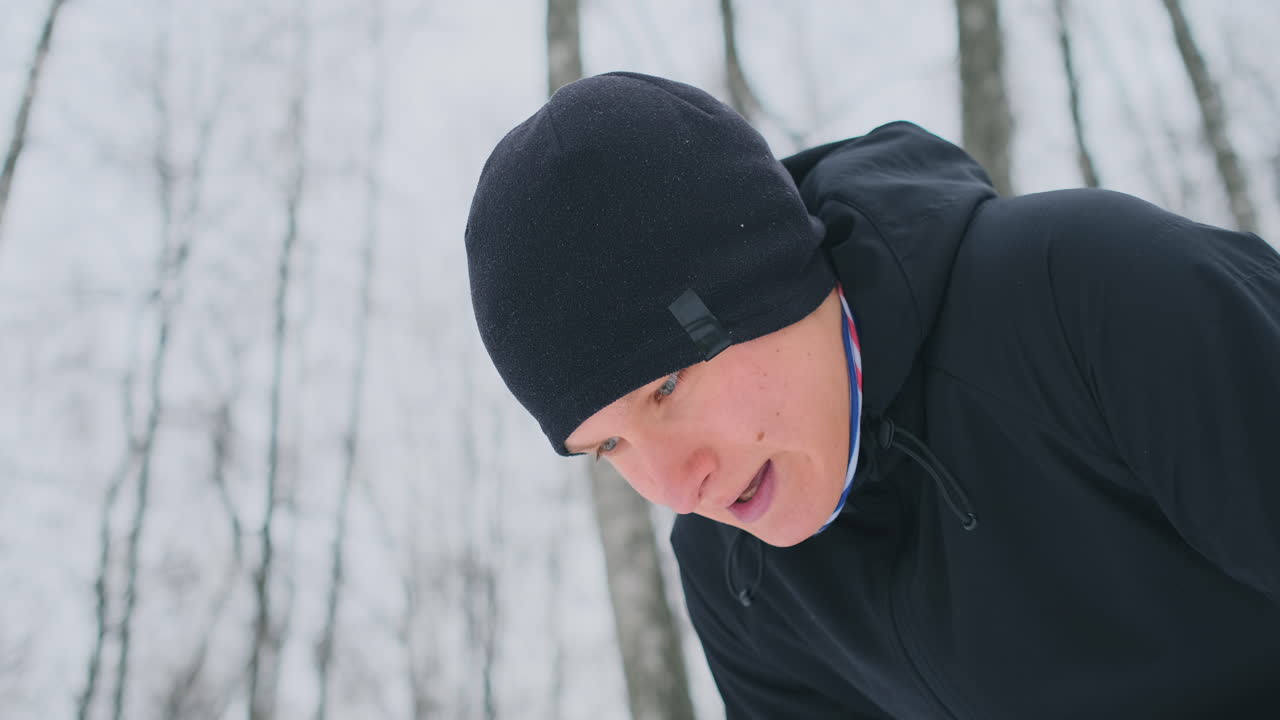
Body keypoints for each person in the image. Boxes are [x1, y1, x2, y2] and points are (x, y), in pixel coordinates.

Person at [464, 72, 1280, 718]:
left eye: (666, 387)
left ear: (763, 282)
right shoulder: (731, 575)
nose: (679, 487)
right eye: (609, 447)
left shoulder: (1089, 298)